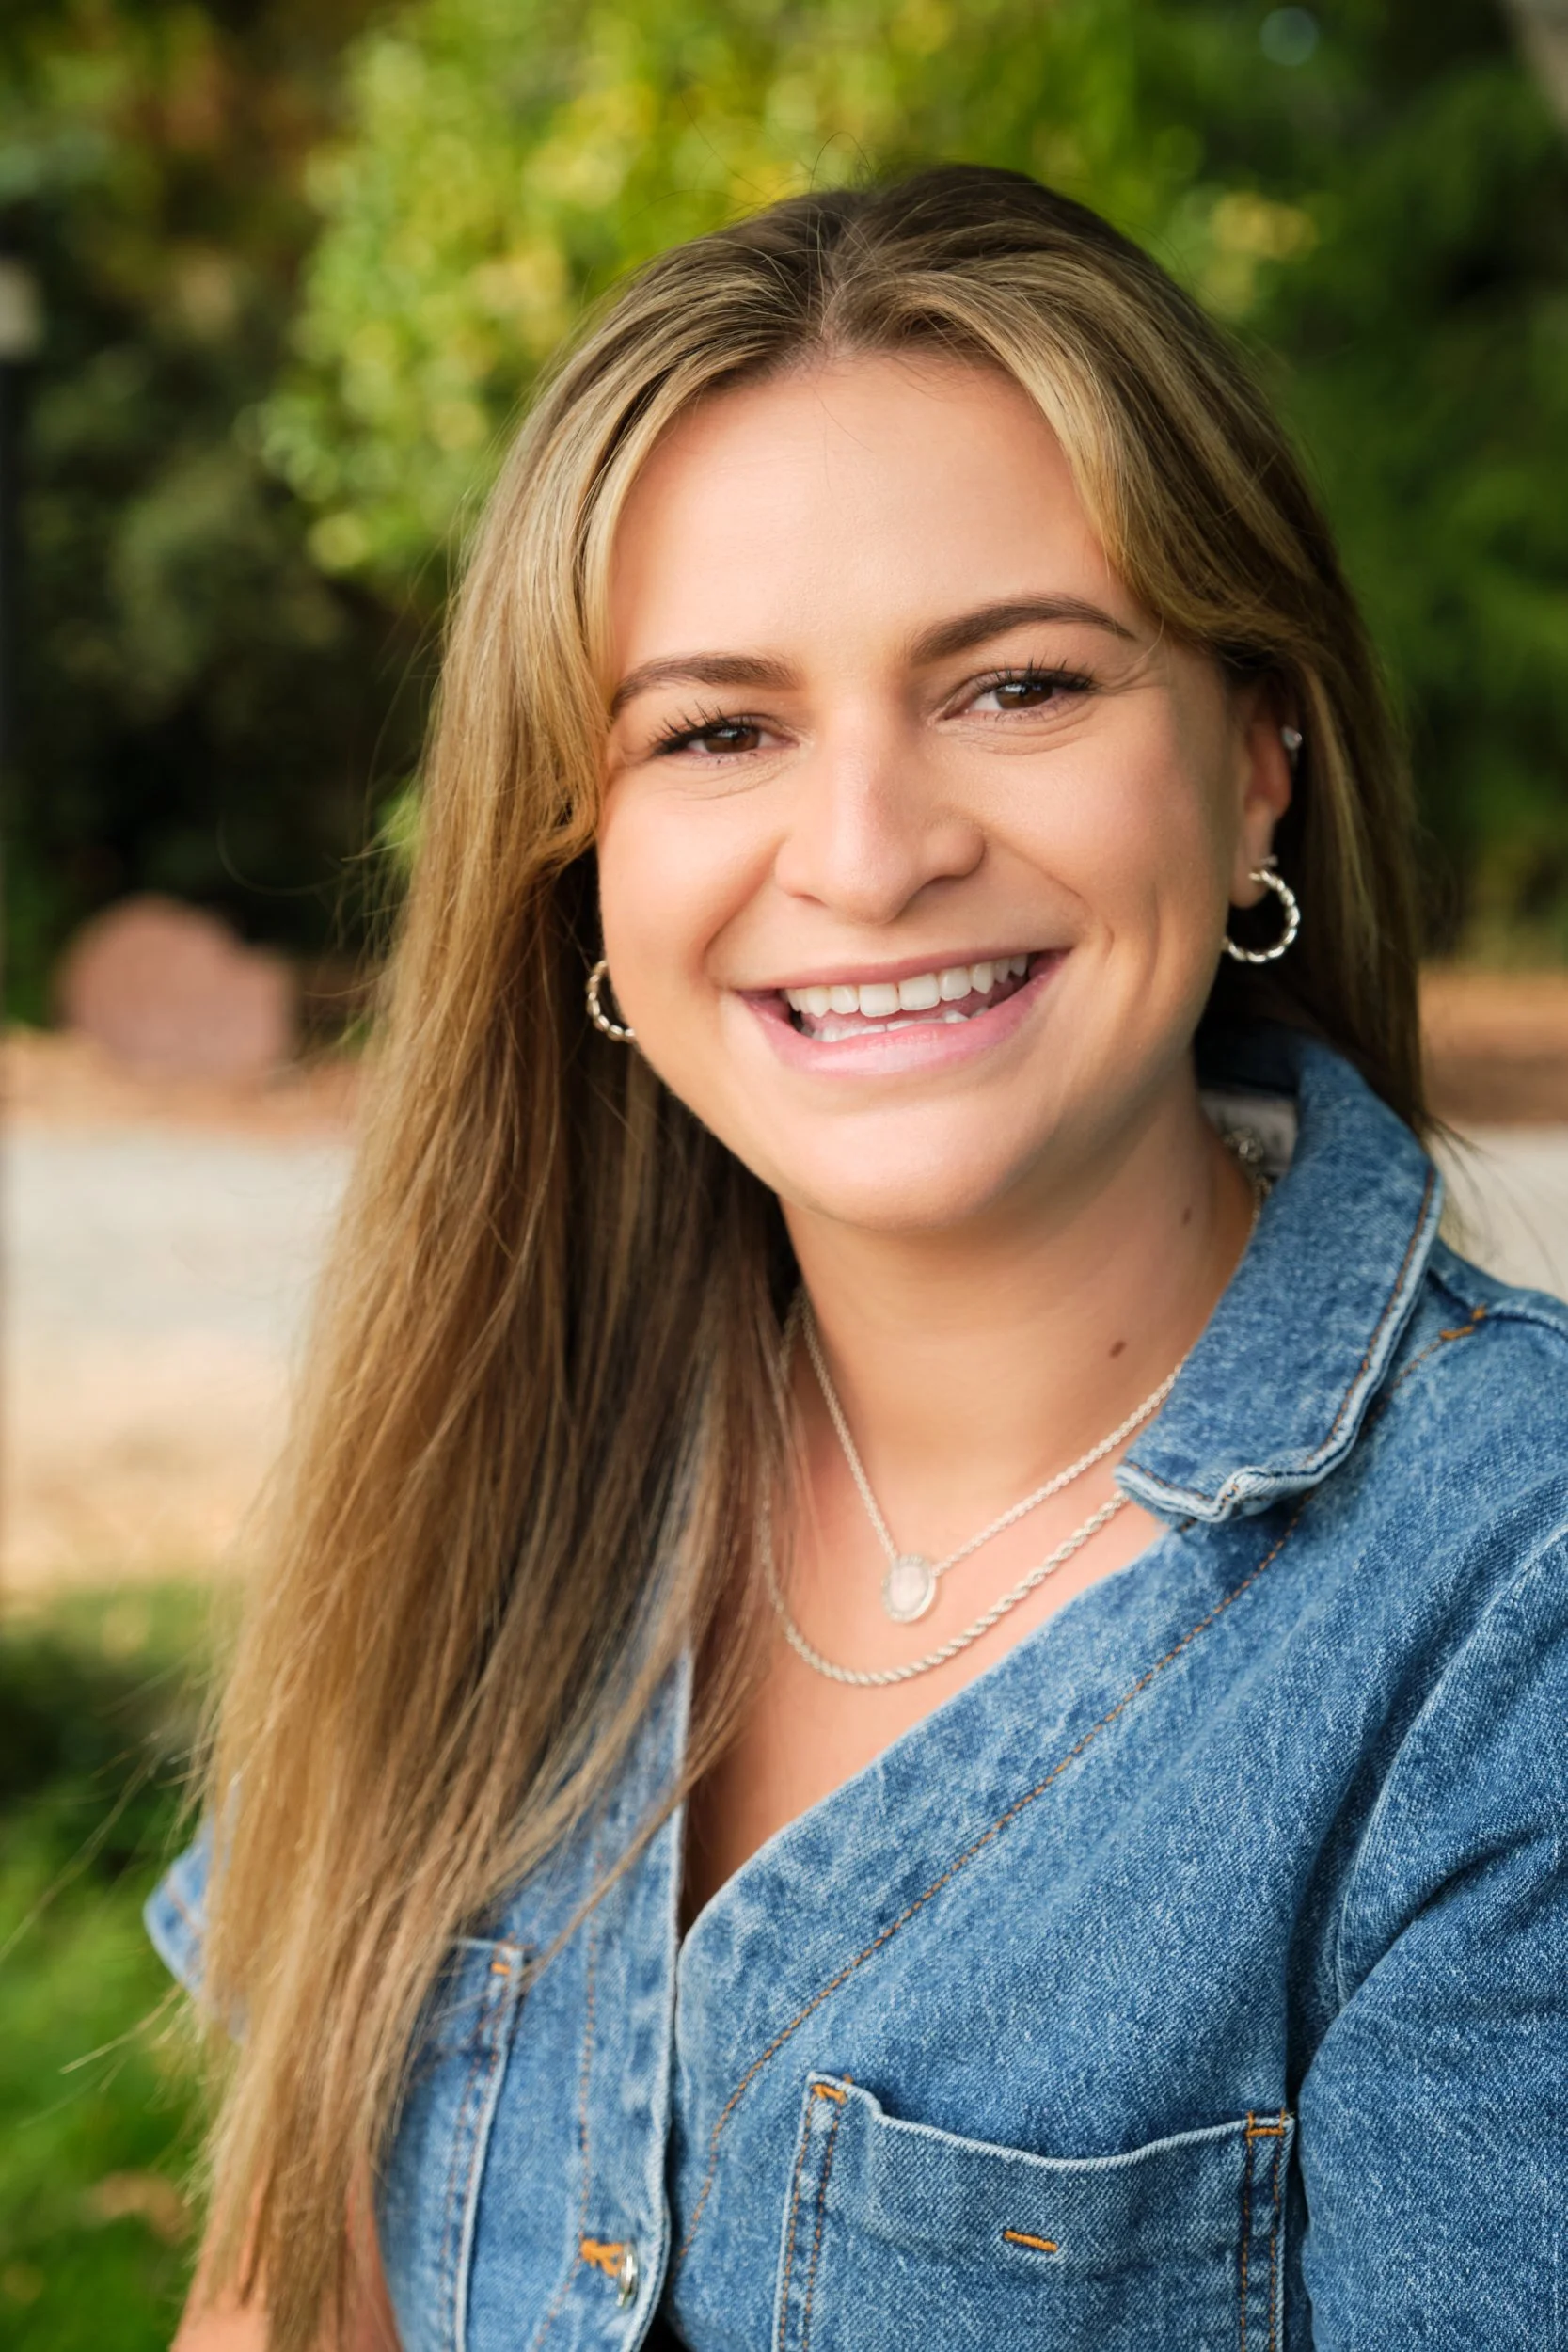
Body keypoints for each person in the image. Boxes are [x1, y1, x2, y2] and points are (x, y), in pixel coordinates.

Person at [150, 166, 1567, 2351]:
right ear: (580, 861)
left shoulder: (1509, 1610)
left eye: (1012, 685)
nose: (867, 850)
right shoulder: (476, 1457)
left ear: (1254, 759)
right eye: (717, 729)